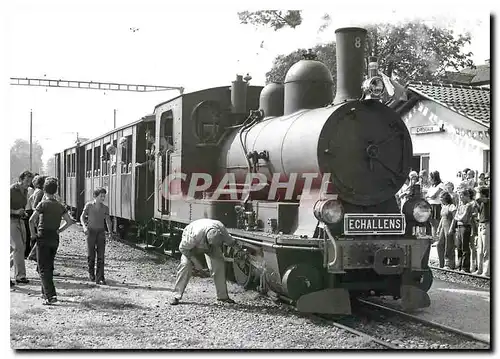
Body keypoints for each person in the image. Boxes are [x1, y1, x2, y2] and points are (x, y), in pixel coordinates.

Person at [170, 218, 244, 305]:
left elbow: (230, 241)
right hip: (191, 247)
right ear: (207, 239)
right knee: (185, 265)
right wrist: (196, 262)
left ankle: (222, 297)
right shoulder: (194, 236)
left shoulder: (220, 227)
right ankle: (176, 296)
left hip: (212, 246)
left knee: (219, 265)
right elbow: (183, 248)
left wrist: (240, 251)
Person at [29, 177, 74, 305]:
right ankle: (45, 293)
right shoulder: (60, 206)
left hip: (42, 236)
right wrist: (59, 230)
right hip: (54, 238)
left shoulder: (42, 204)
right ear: (55, 190)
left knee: (43, 268)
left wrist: (33, 235)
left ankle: (51, 296)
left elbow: (31, 220)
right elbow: (69, 221)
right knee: (47, 266)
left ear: (44, 190)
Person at [80, 187, 113, 284]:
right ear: (95, 196)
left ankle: (100, 277)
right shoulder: (89, 206)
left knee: (101, 256)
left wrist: (110, 233)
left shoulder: (105, 208)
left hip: (101, 232)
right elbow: (82, 217)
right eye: (101, 196)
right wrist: (84, 227)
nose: (103, 198)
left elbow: (108, 221)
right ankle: (91, 274)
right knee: (91, 255)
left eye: (104, 196)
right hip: (90, 232)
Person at [10, 170, 34, 287]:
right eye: (27, 181)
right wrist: (15, 211)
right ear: (20, 179)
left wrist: (23, 213)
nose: (28, 184)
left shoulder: (25, 191)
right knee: (18, 247)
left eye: (30, 181)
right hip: (10, 221)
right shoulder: (11, 190)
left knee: (19, 248)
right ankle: (20, 276)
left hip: (20, 220)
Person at [450, 189, 475, 273]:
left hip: (465, 226)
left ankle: (465, 267)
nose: (461, 197)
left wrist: (459, 217)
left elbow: (463, 217)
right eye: (460, 195)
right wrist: (459, 217)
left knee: (465, 247)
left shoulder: (468, 205)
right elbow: (456, 216)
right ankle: (459, 265)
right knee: (459, 246)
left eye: (462, 195)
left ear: (467, 196)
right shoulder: (460, 206)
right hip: (459, 226)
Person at [436, 192, 457, 269]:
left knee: (449, 245)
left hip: (449, 226)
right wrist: (439, 227)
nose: (440, 199)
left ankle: (449, 264)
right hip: (443, 227)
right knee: (440, 244)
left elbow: (455, 218)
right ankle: (441, 262)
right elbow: (442, 218)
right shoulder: (443, 206)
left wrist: (452, 228)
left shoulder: (451, 206)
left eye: (441, 198)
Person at [473, 187, 490, 277]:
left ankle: (486, 271)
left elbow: (479, 199)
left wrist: (477, 193)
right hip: (481, 225)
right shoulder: (481, 203)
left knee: (486, 250)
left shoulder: (487, 200)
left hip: (487, 225)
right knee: (479, 250)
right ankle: (480, 269)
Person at [425, 171, 445, 240]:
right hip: (430, 205)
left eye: (431, 178)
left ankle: (439, 238)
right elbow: (426, 195)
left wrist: (429, 196)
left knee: (437, 223)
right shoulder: (431, 186)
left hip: (437, 206)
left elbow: (434, 196)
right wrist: (429, 196)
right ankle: (434, 238)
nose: (429, 179)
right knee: (432, 223)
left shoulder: (441, 185)